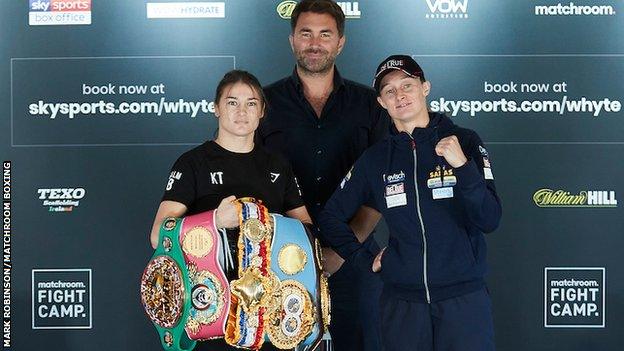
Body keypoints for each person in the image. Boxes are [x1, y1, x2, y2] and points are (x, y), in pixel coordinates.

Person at [319, 55, 502, 351]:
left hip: (463, 302)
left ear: (425, 88)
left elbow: (490, 219)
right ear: (381, 102)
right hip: (403, 305)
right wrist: (364, 259)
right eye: (389, 91)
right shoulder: (376, 159)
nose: (399, 95)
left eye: (407, 85)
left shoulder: (464, 141)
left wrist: (463, 167)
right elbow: (331, 217)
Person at [257, 1, 388, 349]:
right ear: (292, 40)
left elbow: (382, 188)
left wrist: (342, 251)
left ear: (340, 42)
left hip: (354, 261)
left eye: (325, 34)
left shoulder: (370, 105)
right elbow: (247, 180)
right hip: (277, 263)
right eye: (306, 33)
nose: (315, 43)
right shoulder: (262, 104)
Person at [149, 70, 312, 351]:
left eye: (251, 103)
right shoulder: (193, 163)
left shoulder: (277, 165)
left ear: (262, 111)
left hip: (268, 314)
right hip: (210, 310)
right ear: (216, 109)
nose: (242, 111)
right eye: (232, 102)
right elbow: (158, 235)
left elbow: (306, 230)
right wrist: (214, 220)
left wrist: (272, 226)